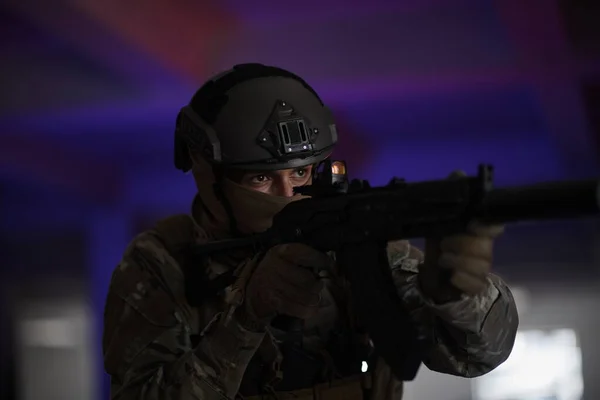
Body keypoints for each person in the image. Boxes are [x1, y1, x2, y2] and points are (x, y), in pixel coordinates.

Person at [102, 63, 519, 400]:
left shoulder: (349, 239)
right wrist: (246, 316)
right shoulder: (162, 264)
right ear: (208, 176)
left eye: (301, 172)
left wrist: (458, 297)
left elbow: (482, 354)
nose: (289, 194)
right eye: (260, 180)